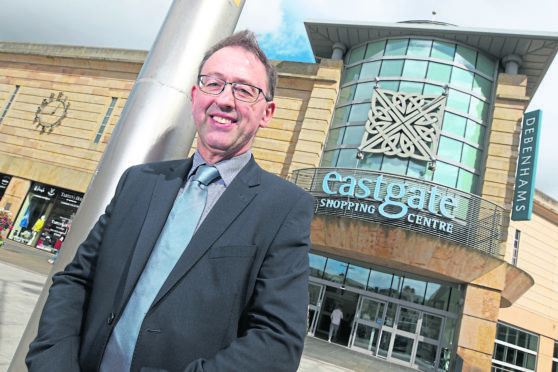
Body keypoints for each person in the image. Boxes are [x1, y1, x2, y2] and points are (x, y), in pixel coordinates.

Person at [26, 30, 314, 372]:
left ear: (266, 112)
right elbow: (76, 281)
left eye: (244, 90)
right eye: (214, 83)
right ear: (195, 97)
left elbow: (277, 343)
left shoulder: (284, 208)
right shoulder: (139, 181)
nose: (225, 99)